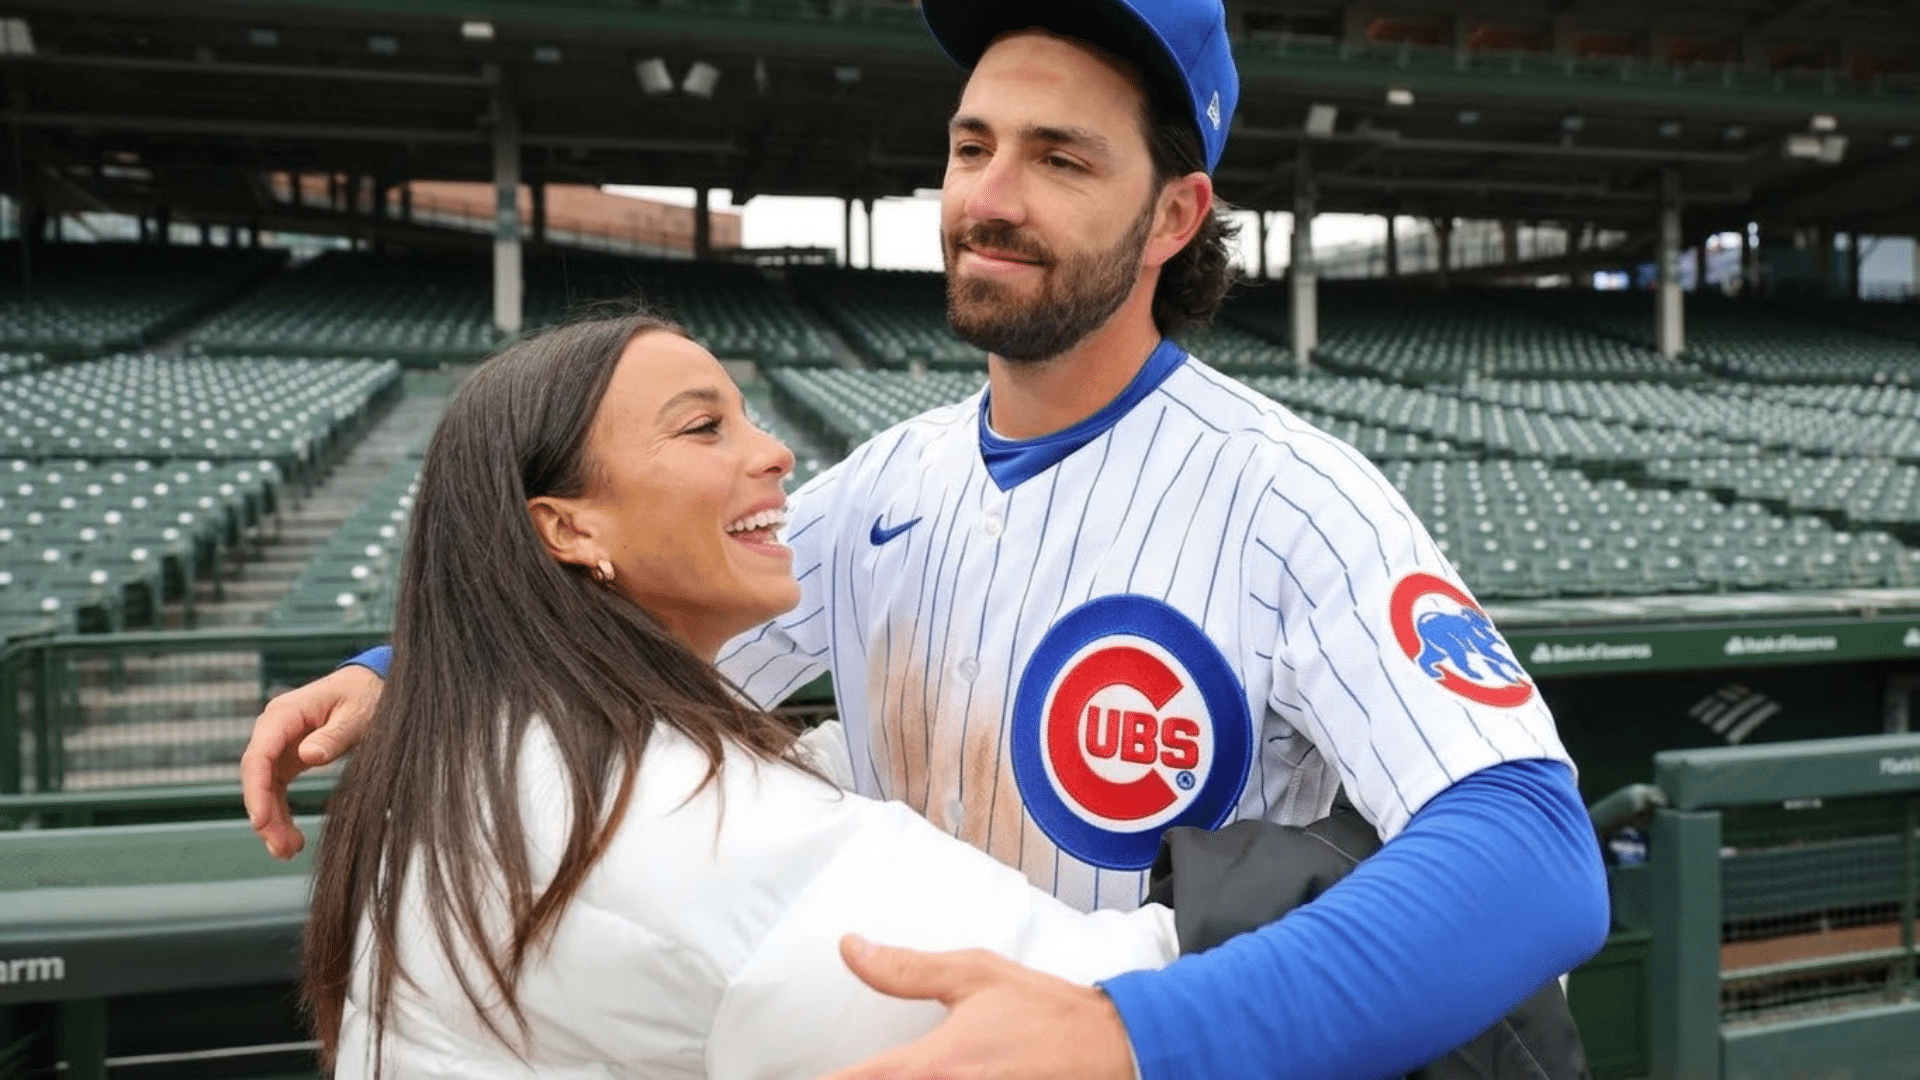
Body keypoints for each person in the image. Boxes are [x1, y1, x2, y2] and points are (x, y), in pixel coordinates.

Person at [252, 1, 1611, 1076]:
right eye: (973, 146)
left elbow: (1531, 851)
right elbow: (606, 629)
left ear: (1174, 218)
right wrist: (395, 669)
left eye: (1061, 157)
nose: (990, 196)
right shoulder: (876, 493)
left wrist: (1145, 1039)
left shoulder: (1293, 497)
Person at [304, 308, 1188, 1079]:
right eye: (703, 429)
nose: (773, 452)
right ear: (568, 527)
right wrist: (1283, 873)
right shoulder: (679, 821)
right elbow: (1102, 999)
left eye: (746, 418)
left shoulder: (489, 735)